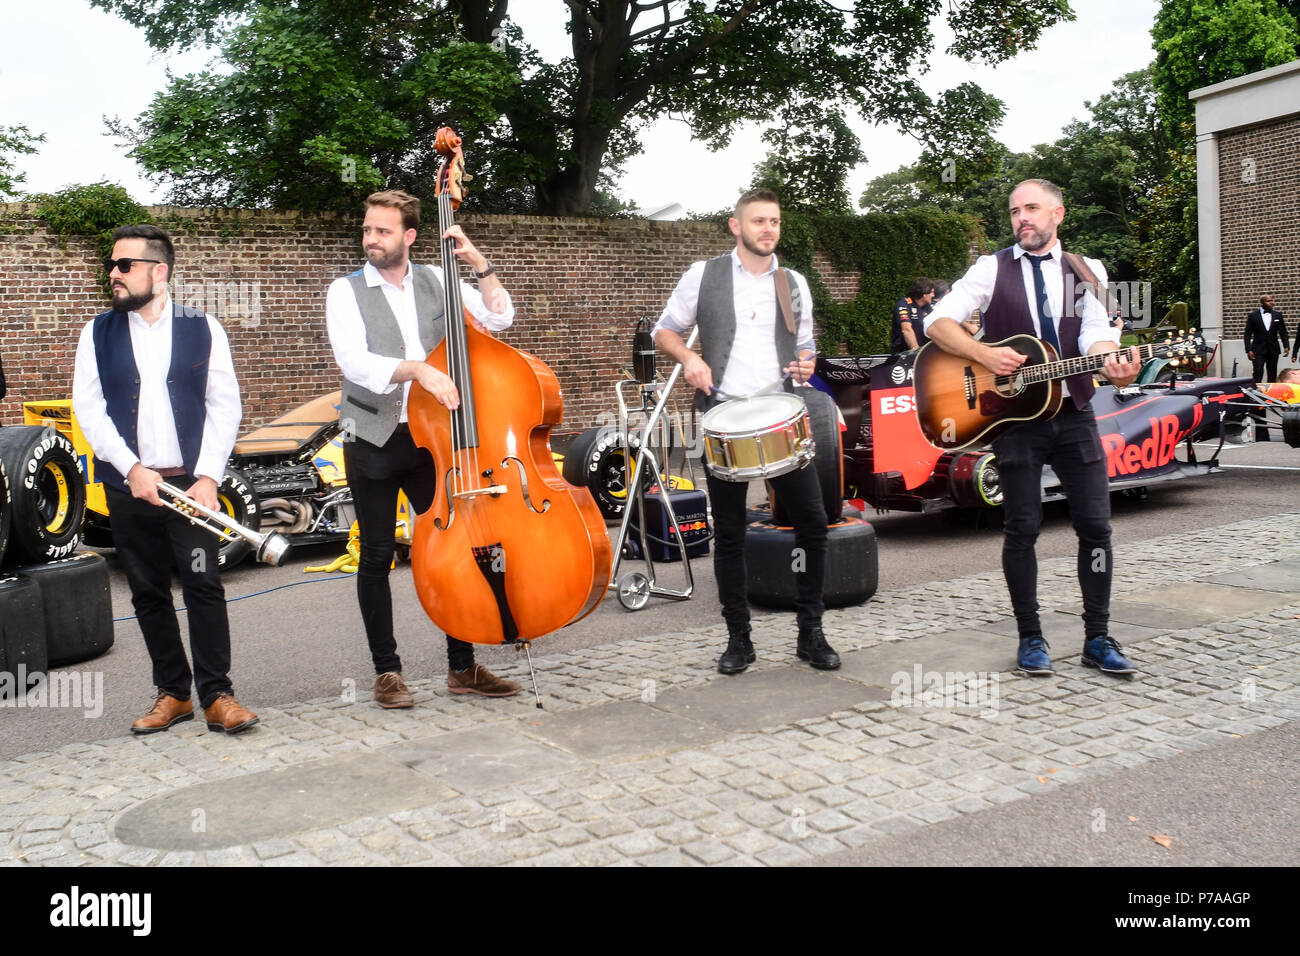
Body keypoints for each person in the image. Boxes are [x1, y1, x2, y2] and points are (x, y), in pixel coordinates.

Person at [923, 179, 1142, 678]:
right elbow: (938, 321)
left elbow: (1098, 338)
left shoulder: (1088, 271)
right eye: (1015, 210)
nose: (1022, 217)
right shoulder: (990, 268)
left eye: (1032, 208)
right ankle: (1030, 637)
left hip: (1075, 413)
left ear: (1058, 214)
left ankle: (1098, 636)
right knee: (1021, 529)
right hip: (1015, 419)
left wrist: (1112, 364)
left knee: (1096, 528)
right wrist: (982, 355)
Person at [326, 189, 521, 707]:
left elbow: (500, 320)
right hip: (372, 437)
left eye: (382, 231)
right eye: (367, 230)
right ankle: (387, 672)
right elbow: (354, 362)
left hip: (436, 439)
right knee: (376, 556)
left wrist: (482, 267)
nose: (371, 239)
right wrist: (417, 370)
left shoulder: (439, 279)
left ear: (410, 236)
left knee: (457, 546)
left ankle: (463, 667)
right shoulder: (345, 292)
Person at [73, 225, 257, 734]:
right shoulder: (97, 332)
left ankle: (218, 696)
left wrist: (207, 478)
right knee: (148, 591)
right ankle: (173, 694)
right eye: (112, 265)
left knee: (203, 584)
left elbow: (225, 405)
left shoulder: (203, 327)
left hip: (189, 487)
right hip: (129, 487)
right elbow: (88, 409)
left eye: (124, 265)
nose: (113, 273)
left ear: (159, 271)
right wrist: (130, 469)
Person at [655, 187, 836, 675]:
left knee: (813, 524)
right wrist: (690, 357)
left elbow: (806, 345)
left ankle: (811, 632)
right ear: (736, 226)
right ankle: (739, 638)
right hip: (724, 418)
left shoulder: (793, 281)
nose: (768, 229)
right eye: (758, 221)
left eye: (774, 221)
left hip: (781, 416)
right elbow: (664, 330)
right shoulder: (704, 274)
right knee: (730, 532)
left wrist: (805, 363)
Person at [1244, 294, 1289, 384]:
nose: (1271, 302)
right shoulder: (1253, 316)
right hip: (1258, 349)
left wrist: (1286, 346)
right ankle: (1255, 392)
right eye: (1268, 301)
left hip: (1273, 349)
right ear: (1262, 303)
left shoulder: (1278, 315)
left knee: (1272, 373)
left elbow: (1283, 332)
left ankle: (1270, 395)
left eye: (1272, 300)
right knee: (1258, 371)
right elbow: (1247, 334)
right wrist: (1248, 350)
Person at [890, 278, 935, 355]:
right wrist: (916, 351)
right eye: (932, 292)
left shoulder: (930, 307)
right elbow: (906, 329)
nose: (933, 295)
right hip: (904, 354)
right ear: (924, 294)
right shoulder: (904, 304)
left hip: (926, 354)